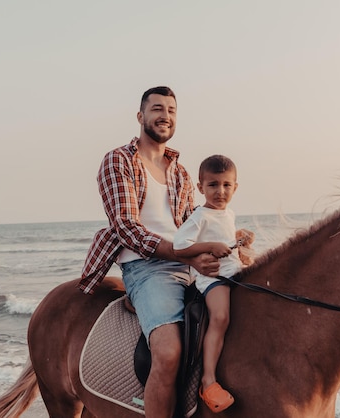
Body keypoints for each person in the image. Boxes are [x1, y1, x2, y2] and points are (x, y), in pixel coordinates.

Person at [78, 86, 220, 418]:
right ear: (141, 117)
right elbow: (126, 226)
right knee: (169, 351)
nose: (165, 116)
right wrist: (186, 255)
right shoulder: (119, 160)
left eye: (171, 110)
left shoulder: (182, 173)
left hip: (187, 265)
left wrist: (226, 237)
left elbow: (191, 224)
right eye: (157, 109)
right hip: (146, 268)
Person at [173, 155, 248, 413]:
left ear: (235, 187)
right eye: (213, 185)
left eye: (227, 185)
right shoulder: (199, 216)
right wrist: (209, 247)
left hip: (235, 272)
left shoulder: (229, 213)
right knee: (221, 317)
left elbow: (226, 240)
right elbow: (179, 245)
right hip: (214, 278)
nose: (220, 191)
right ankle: (208, 380)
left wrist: (239, 239)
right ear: (200, 187)